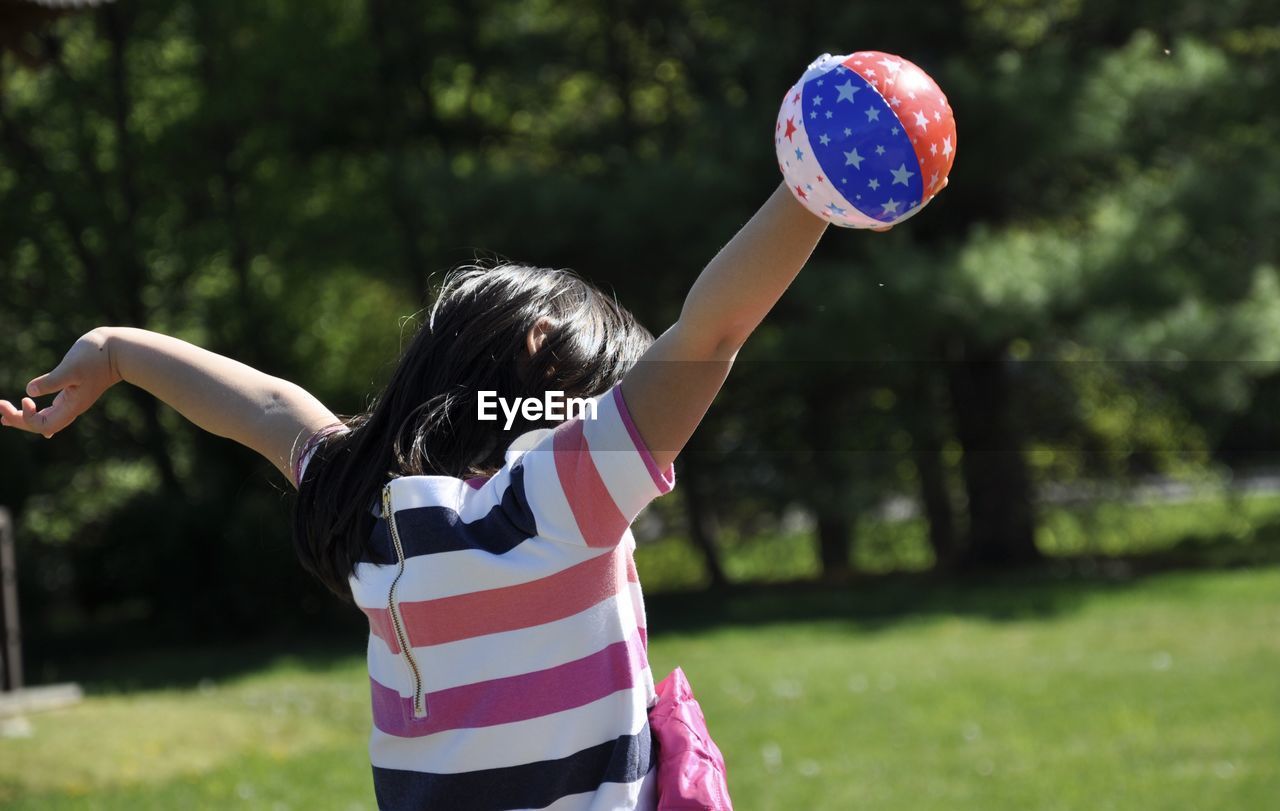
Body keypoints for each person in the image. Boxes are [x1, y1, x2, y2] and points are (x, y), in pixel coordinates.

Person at [1, 181, 849, 810]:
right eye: (602, 390)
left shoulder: (372, 513)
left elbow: (262, 404)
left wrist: (115, 349)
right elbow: (713, 330)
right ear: (541, 359)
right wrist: (816, 189)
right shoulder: (557, 506)